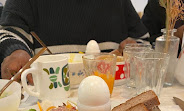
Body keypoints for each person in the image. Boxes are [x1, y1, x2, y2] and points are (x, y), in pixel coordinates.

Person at [0, 0, 148, 80]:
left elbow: (143, 42)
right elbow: (11, 32)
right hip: (43, 97)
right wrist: (16, 51)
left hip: (111, 98)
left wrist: (132, 49)